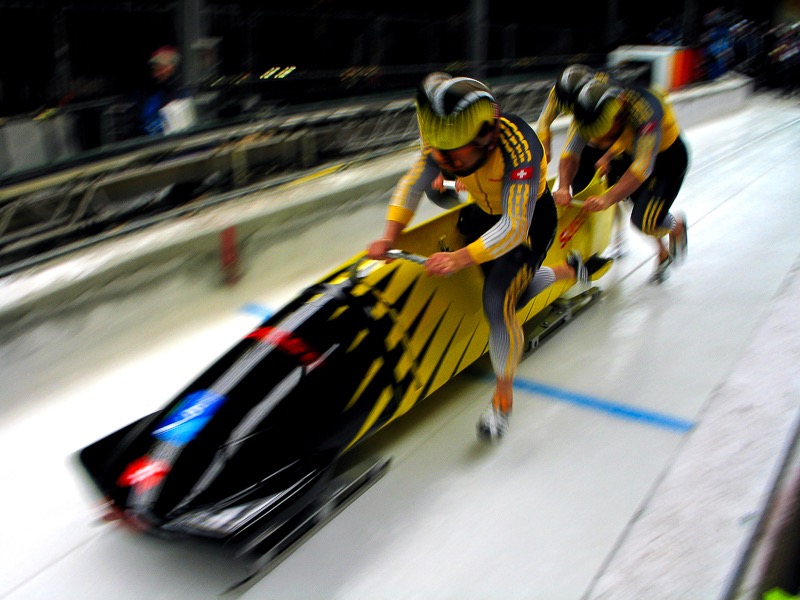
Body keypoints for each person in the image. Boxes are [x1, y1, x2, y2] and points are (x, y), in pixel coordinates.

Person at [367, 72, 607, 441]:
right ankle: (566, 271)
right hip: (482, 209)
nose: (445, 161)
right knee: (513, 287)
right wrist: (389, 236)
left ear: (485, 138)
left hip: (528, 221)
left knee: (499, 302)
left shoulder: (521, 148)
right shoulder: (444, 143)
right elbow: (413, 183)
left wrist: (462, 259)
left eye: (455, 154)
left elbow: (512, 227)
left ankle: (503, 399)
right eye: (439, 152)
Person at [556, 78, 689, 284]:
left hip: (666, 163)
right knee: (617, 197)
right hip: (629, 153)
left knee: (644, 220)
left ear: (618, 118)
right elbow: (570, 153)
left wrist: (608, 197)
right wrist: (564, 186)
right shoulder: (588, 109)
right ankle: (662, 251)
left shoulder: (646, 112)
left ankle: (676, 226)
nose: (598, 141)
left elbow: (643, 167)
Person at [536, 63, 631, 258]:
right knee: (581, 193)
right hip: (589, 145)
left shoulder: (611, 97)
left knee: (616, 195)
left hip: (616, 147)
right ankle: (584, 243)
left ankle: (620, 233)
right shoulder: (561, 94)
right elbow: (545, 122)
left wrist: (609, 156)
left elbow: (630, 135)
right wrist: (545, 147)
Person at [138, 45, 186, 136]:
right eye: (154, 69)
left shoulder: (181, 93)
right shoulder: (145, 94)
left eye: (160, 68)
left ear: (171, 68)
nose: (156, 73)